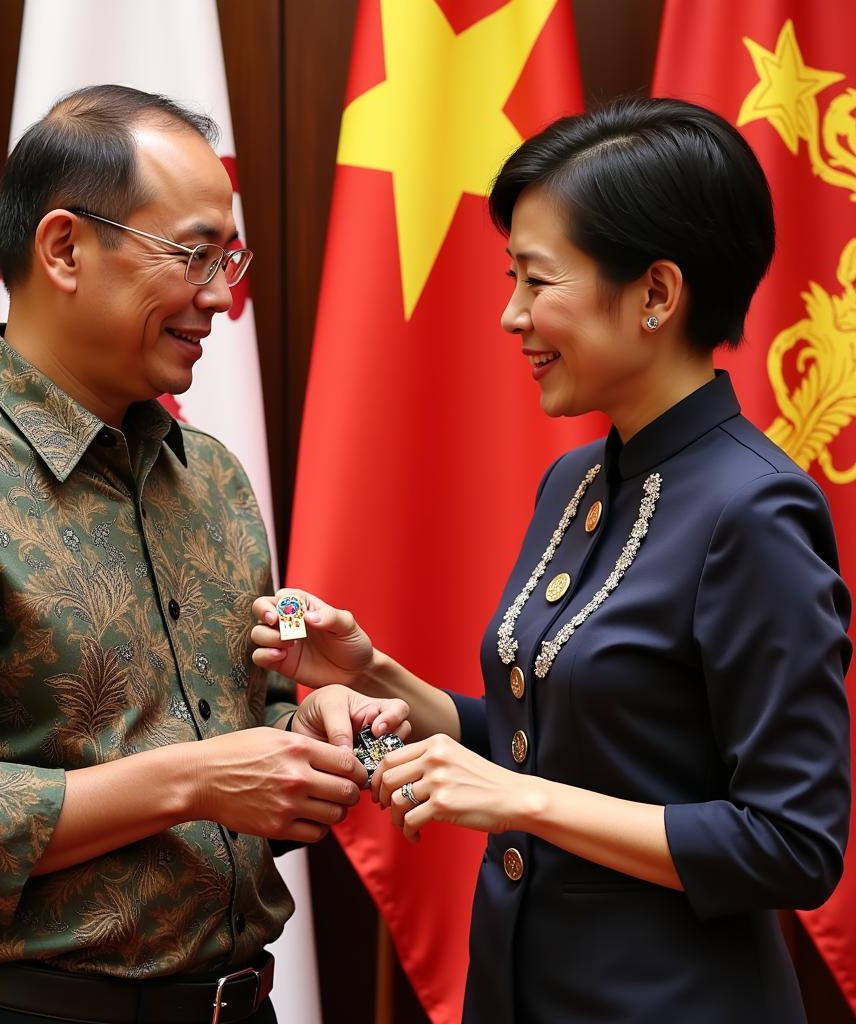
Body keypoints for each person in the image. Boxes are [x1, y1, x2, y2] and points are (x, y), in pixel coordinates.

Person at [252, 97, 852, 1023]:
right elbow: (562, 735)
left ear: (657, 293)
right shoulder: (577, 479)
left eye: (538, 281)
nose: (510, 315)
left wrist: (521, 802)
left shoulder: (756, 510)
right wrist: (377, 675)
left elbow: (790, 845)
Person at [0, 84, 409, 1024]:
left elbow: (248, 732)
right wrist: (199, 777)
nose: (222, 295)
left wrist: (308, 740)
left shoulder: (212, 478)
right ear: (64, 248)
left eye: (229, 257)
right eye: (193, 255)